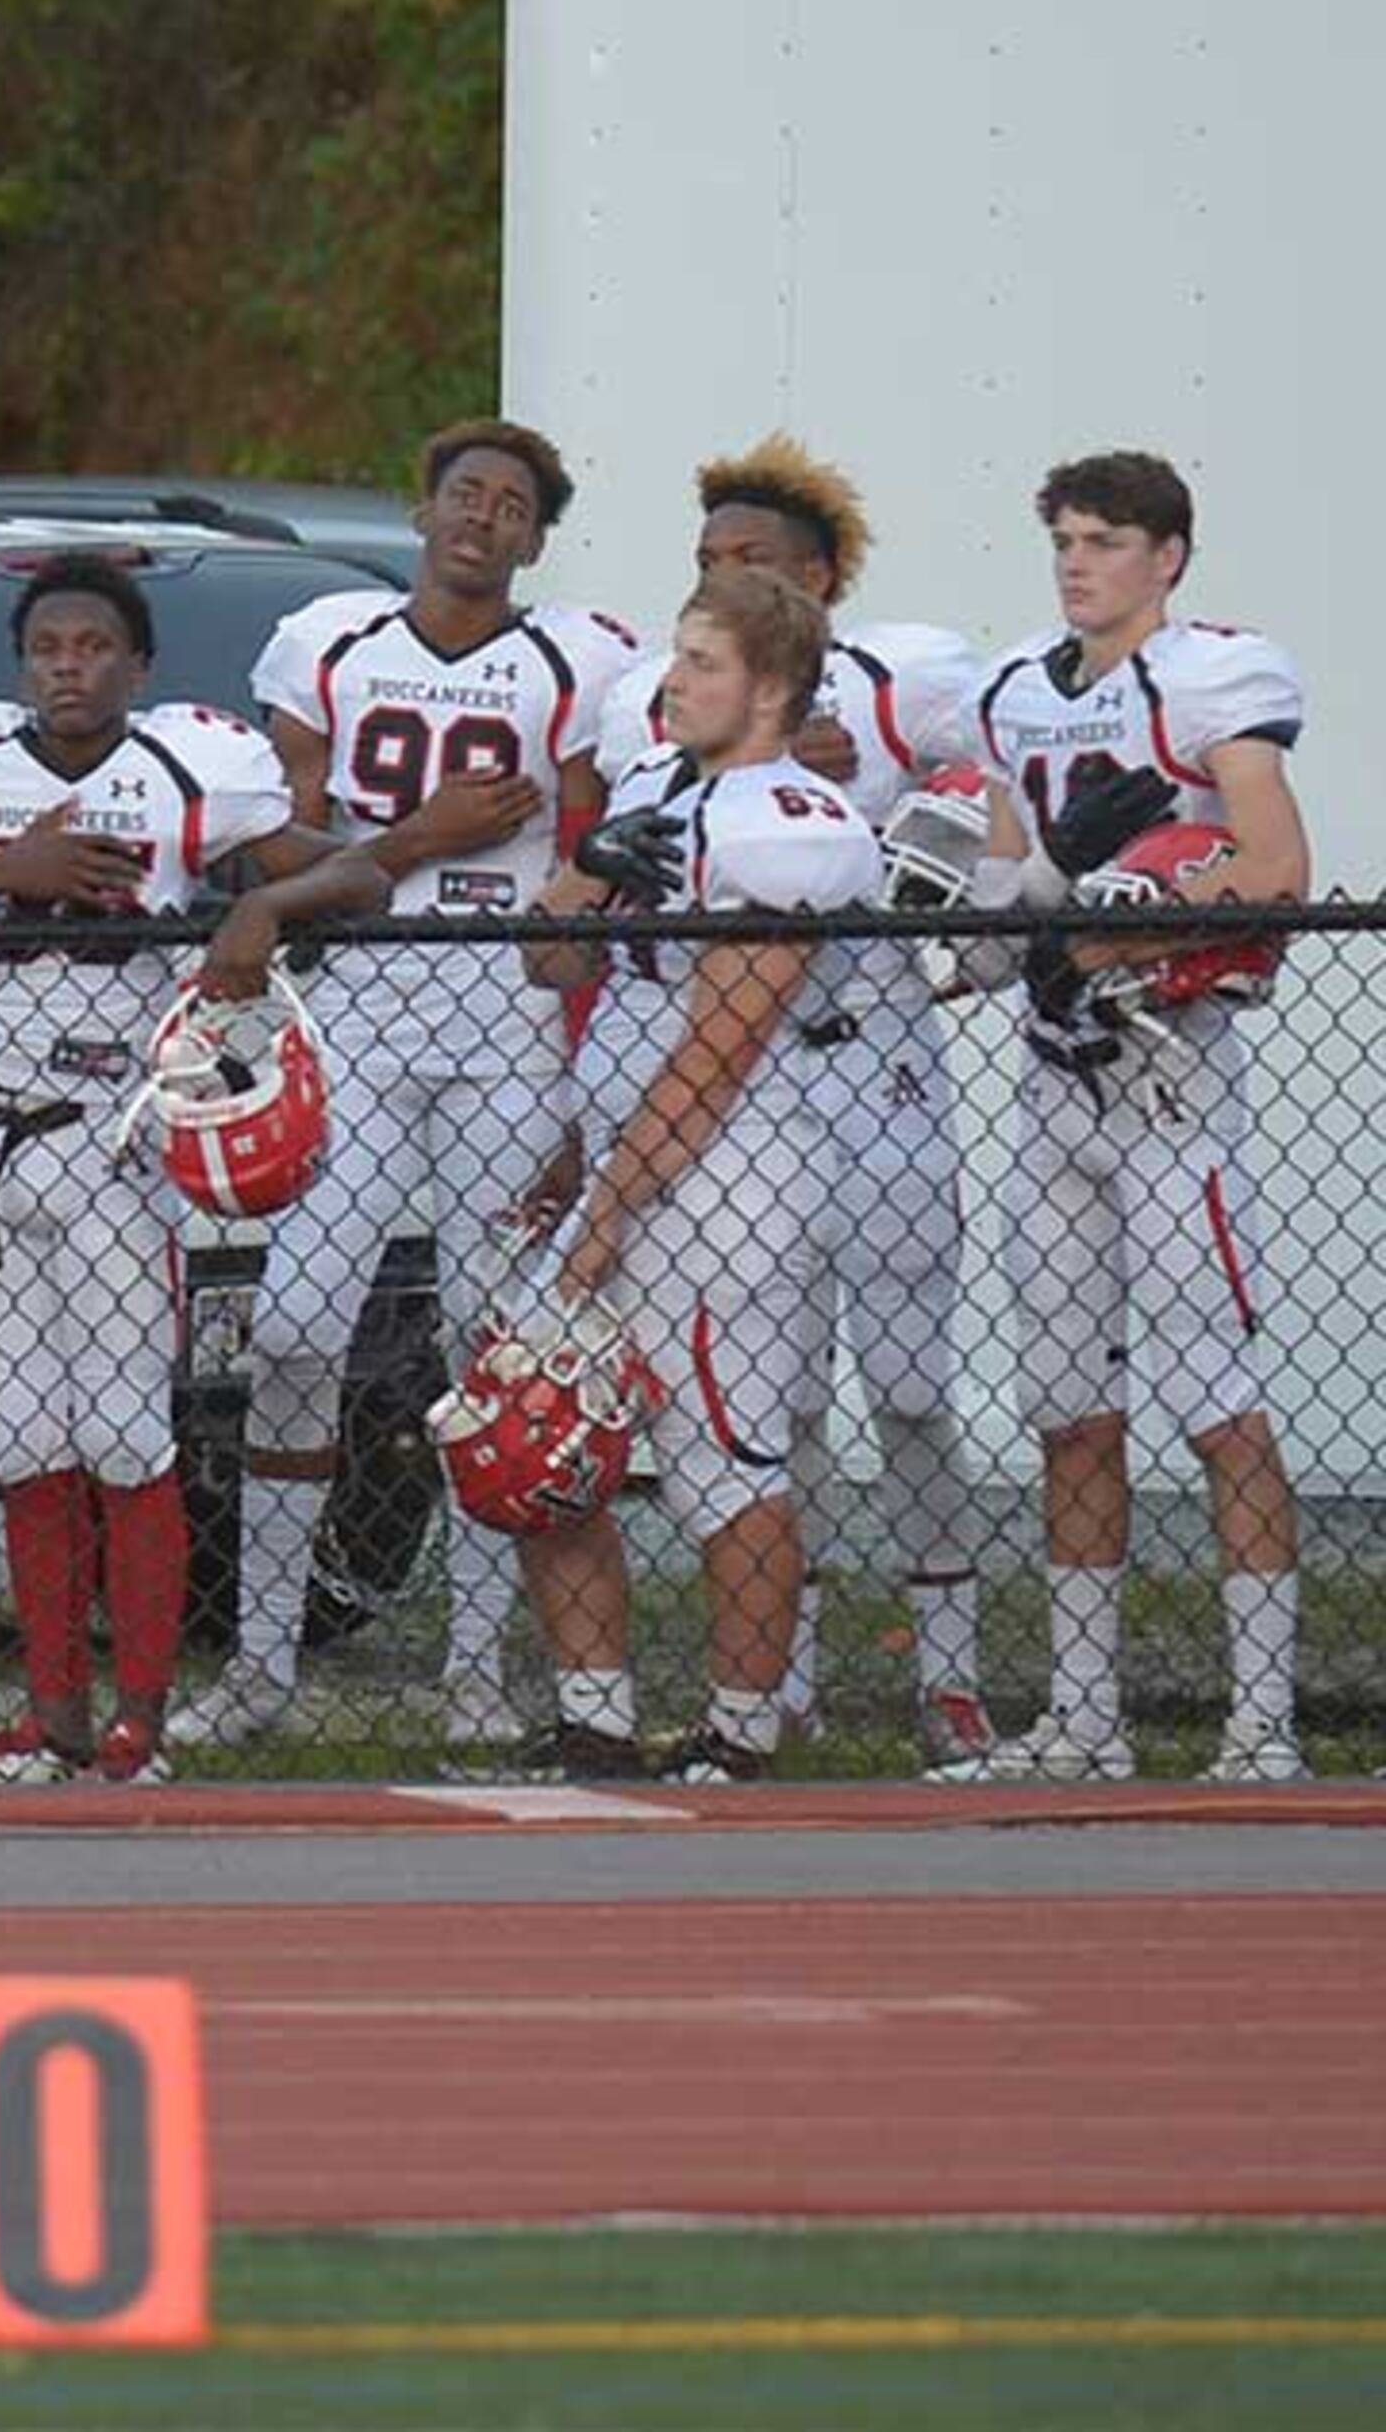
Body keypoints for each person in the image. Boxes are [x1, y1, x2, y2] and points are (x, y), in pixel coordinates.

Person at [0, 553, 352, 1781]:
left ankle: (140, 1722)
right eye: (48, 648)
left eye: (94, 646)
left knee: (125, 1433)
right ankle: (54, 1715)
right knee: (22, 1440)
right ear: (22, 665)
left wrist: (260, 911)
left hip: (114, 1140)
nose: (69, 667)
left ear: (139, 664)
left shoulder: (186, 771)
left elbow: (355, 866)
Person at [204, 419, 637, 1756]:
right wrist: (418, 839)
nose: (482, 516)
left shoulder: (573, 660)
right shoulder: (330, 641)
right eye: (465, 492)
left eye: (511, 504)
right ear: (423, 506)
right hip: (363, 1012)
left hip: (508, 1021)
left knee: (489, 1349)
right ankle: (260, 1659)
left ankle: (474, 1664)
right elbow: (276, 842)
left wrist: (581, 1049)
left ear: (536, 540)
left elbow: (588, 850)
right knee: (292, 1330)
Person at [587, 437, 994, 1764]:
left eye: (749, 561)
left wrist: (945, 847)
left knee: (898, 1392)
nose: (722, 579)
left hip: (855, 1065)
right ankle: (773, 1679)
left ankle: (937, 1675)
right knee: (767, 1401)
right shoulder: (665, 720)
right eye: (706, 562)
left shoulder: (893, 689)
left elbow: (1001, 812)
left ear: (815, 581)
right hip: (724, 1087)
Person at [950, 451, 1311, 1784]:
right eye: (1065, 539)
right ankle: (1084, 1718)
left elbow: (1275, 868)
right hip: (1054, 1086)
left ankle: (1262, 1723)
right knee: (1069, 1412)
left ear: (1169, 557)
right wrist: (1031, 917)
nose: (1076, 561)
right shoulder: (1012, 689)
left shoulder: (1210, 677)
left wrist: (1111, 940)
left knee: (1218, 1403)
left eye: (1104, 540)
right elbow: (991, 925)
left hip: (1170, 1084)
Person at [507, 569, 881, 1779]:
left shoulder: (791, 817)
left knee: (723, 1458)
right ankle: (596, 1717)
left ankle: (739, 1728)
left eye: (704, 663)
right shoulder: (655, 788)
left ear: (771, 689)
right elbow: (551, 967)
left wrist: (607, 1214)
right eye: (677, 656)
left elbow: (719, 1055)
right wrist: (588, 869)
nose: (674, 682)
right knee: (536, 1438)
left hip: (732, 1170)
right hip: (626, 1139)